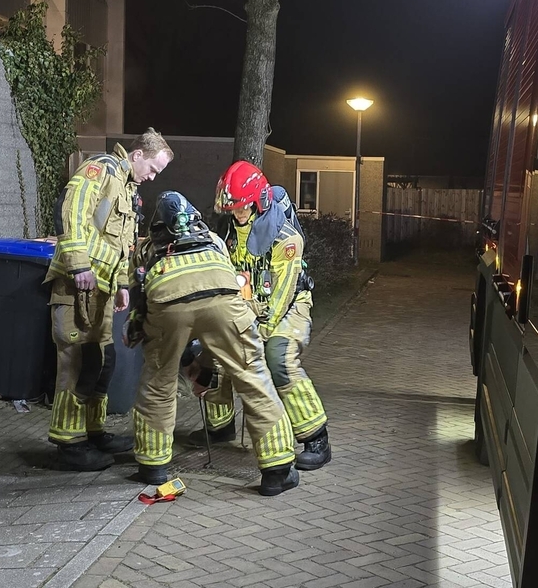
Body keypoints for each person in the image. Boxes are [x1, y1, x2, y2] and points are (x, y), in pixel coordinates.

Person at [125, 191, 299, 496]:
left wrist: (141, 330)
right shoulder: (214, 238)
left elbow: (139, 291)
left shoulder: (147, 246)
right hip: (223, 296)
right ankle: (277, 471)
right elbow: (223, 290)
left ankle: (153, 467)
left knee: (158, 383)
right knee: (253, 377)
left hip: (167, 302)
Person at [187, 160, 331, 470]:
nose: (237, 214)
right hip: (247, 304)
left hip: (288, 305)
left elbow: (280, 299)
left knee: (278, 358)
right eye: (233, 208)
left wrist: (252, 335)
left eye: (243, 208)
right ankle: (220, 426)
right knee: (214, 348)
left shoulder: (286, 238)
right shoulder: (227, 231)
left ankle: (316, 437)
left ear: (260, 202)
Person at [45, 129, 173, 471]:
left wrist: (121, 285)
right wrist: (79, 265)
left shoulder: (127, 188)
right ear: (137, 155)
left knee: (103, 361)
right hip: (76, 285)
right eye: (153, 168)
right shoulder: (100, 169)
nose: (152, 176)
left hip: (100, 291)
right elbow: (70, 211)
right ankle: (69, 444)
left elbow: (120, 246)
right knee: (77, 364)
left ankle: (92, 432)